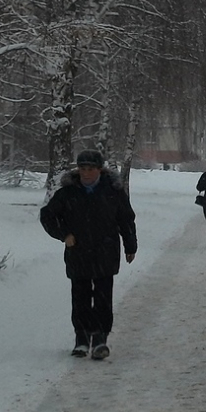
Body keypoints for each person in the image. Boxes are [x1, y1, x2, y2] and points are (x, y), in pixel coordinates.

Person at [39, 149, 138, 359]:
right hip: (78, 253)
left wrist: (130, 246)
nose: (86, 173)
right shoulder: (68, 192)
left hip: (105, 252)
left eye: (90, 169)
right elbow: (47, 216)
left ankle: (100, 340)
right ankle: (82, 339)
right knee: (80, 298)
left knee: (103, 298)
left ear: (99, 169)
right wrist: (64, 234)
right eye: (82, 169)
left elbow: (126, 220)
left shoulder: (113, 191)